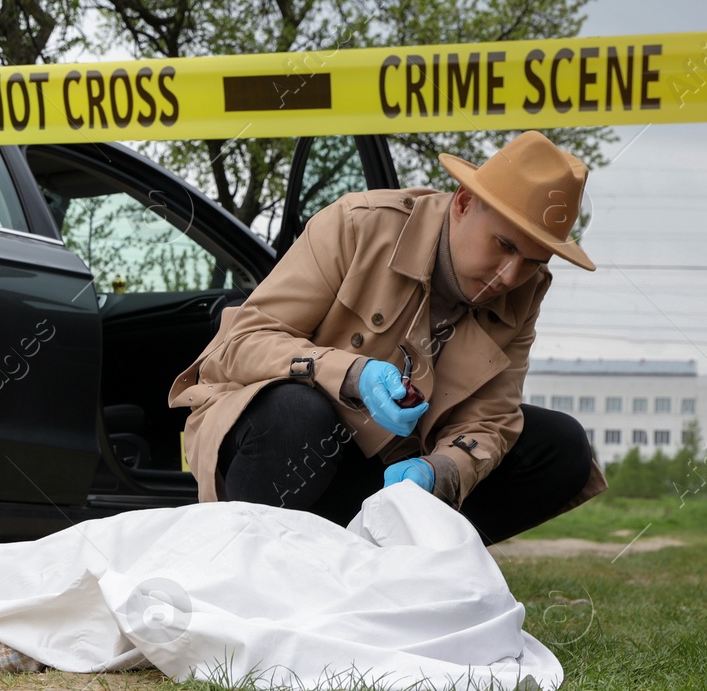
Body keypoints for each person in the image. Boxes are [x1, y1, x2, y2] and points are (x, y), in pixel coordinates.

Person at [0, 481, 562, 691]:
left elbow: (85, 631)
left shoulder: (288, 624)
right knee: (34, 558)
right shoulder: (351, 572)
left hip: (191, 561)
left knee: (39, 578)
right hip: (241, 535)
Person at [168, 130, 606, 545]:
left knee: (561, 447)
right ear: (464, 202)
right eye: (505, 246)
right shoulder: (359, 224)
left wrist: (440, 471)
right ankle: (254, 563)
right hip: (293, 448)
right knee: (298, 413)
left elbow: (492, 418)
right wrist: (351, 374)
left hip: (391, 469)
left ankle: (393, 559)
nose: (509, 276)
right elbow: (240, 344)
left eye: (532, 260)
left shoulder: (527, 288)